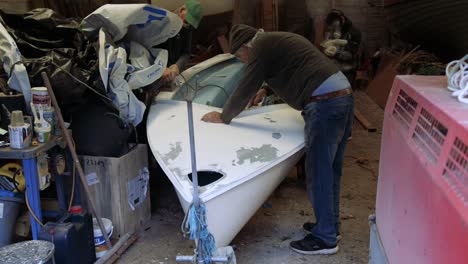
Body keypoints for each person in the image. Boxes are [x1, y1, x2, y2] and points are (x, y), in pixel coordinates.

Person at [201, 24, 354, 255]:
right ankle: (330, 226)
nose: (242, 61)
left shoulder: (260, 47)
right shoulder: (273, 40)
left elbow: (245, 86)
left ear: (246, 46)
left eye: (240, 56)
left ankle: (325, 239)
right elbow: (294, 68)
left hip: (324, 104)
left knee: (319, 172)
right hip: (341, 97)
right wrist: (266, 89)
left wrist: (224, 116)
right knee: (330, 170)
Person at [157, 0, 203, 84]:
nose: (185, 25)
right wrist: (161, 67)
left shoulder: (187, 27)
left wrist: (177, 65)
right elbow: (152, 50)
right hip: (158, 69)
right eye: (186, 21)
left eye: (190, 24)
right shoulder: (163, 22)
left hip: (173, 71)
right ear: (182, 10)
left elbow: (186, 52)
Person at [321, 9, 362, 85]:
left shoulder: (354, 32)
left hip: (347, 72)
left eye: (335, 26)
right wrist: (326, 48)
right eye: (332, 27)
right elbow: (329, 42)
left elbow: (350, 55)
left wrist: (335, 53)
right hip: (333, 71)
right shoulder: (334, 29)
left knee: (345, 95)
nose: (333, 29)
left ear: (342, 19)